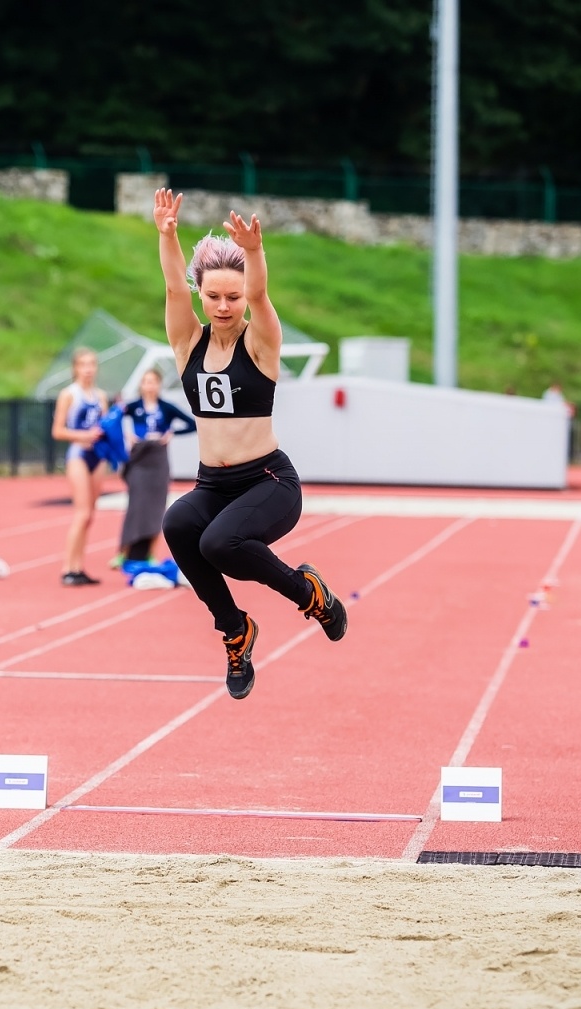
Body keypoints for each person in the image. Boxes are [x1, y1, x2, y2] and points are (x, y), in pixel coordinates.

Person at [152, 188, 347, 699]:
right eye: (213, 296)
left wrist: (255, 254)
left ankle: (310, 593)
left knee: (221, 544)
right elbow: (173, 289)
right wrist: (166, 235)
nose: (223, 306)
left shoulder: (259, 343)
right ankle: (235, 629)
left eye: (232, 297)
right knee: (177, 524)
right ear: (201, 294)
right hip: (213, 484)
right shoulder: (186, 343)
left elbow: (261, 298)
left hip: (268, 482)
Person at [117, 367, 196, 565]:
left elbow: (192, 423)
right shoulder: (134, 407)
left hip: (158, 459)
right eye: (146, 382)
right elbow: (112, 419)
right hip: (139, 458)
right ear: (141, 385)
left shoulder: (166, 407)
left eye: (153, 382)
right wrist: (126, 436)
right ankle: (124, 551)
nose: (150, 386)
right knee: (135, 504)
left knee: (156, 507)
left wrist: (171, 434)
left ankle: (151, 552)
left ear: (159, 385)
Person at [51, 347, 109, 586]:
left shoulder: (101, 396)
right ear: (75, 368)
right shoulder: (69, 394)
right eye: (83, 364)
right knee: (82, 512)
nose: (88, 369)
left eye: (92, 364)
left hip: (98, 457)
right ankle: (68, 568)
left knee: (90, 516)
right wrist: (83, 436)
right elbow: (57, 431)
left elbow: (106, 427)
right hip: (78, 455)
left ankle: (79, 566)